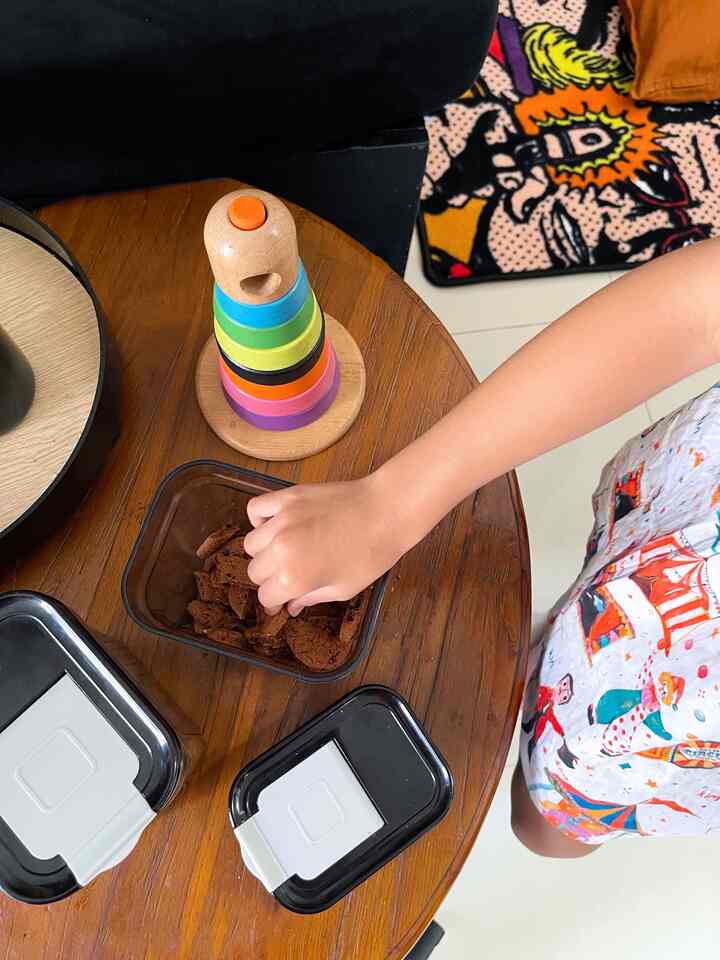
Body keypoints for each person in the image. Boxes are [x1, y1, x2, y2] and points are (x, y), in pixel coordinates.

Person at [243, 236, 720, 856]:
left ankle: (554, 772)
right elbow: (690, 307)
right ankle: (561, 652)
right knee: (585, 619)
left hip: (665, 736)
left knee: (544, 819)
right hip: (671, 523)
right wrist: (391, 503)